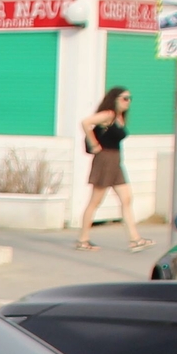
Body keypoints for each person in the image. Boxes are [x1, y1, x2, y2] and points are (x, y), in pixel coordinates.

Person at [76, 87, 148, 251]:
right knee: (95, 201)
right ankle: (83, 240)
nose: (127, 102)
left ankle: (135, 239)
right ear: (114, 99)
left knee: (126, 198)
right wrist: (93, 143)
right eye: (124, 98)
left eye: (130, 98)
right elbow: (85, 122)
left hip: (116, 161)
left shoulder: (119, 117)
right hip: (105, 160)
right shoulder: (108, 114)